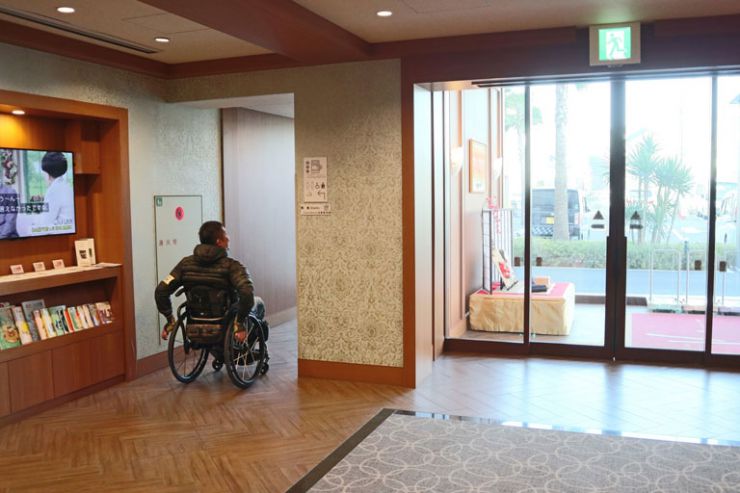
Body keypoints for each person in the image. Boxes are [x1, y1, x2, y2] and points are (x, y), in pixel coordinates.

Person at [155, 220, 264, 341]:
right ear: (219, 242)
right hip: (225, 321)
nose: (228, 238)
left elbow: (161, 290)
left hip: (194, 320)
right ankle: (248, 343)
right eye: (225, 235)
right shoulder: (232, 266)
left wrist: (169, 318)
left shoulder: (185, 264)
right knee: (258, 303)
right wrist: (239, 322)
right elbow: (247, 292)